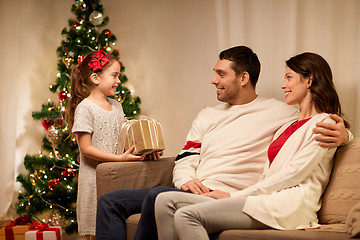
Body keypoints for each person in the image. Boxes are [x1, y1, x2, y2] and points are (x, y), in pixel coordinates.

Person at [95, 46, 351, 240]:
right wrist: (185, 180)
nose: (213, 80)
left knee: (158, 196)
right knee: (111, 200)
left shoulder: (280, 112)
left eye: (220, 74)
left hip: (235, 192)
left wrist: (346, 136)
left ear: (243, 78)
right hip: (193, 188)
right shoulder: (209, 115)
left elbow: (317, 134)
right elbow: (186, 156)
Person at [65, 50, 148, 240]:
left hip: (115, 176)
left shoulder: (116, 106)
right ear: (95, 77)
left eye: (119, 75)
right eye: (114, 75)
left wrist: (144, 150)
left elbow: (124, 136)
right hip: (93, 180)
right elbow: (86, 149)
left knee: (116, 227)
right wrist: (119, 158)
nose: (119, 81)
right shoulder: (85, 108)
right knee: (96, 231)